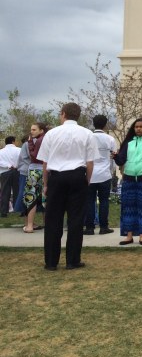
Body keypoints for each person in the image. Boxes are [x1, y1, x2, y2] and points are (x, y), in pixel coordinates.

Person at [36, 103, 98, 270]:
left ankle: (51, 262)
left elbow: (45, 162)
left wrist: (46, 183)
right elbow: (90, 162)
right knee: (76, 220)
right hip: (78, 176)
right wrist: (87, 180)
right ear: (78, 115)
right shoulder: (87, 134)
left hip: (56, 177)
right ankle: (72, 260)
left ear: (63, 114)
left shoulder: (52, 133)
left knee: (53, 220)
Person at [115, 118, 142, 246]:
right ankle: (128, 236)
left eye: (141, 126)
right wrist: (115, 157)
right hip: (128, 178)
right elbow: (120, 161)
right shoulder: (128, 142)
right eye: (136, 127)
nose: (138, 129)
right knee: (128, 207)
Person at [84, 115, 117, 235]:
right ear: (105, 124)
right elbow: (113, 157)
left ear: (93, 123)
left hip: (90, 174)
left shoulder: (88, 138)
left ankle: (89, 227)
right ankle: (104, 227)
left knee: (89, 201)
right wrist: (112, 171)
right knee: (104, 201)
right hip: (104, 174)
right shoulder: (110, 139)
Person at [22, 123, 48, 233]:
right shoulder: (47, 139)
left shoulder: (37, 141)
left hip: (35, 170)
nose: (31, 131)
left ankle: (29, 225)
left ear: (41, 130)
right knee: (45, 197)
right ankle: (47, 224)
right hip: (47, 170)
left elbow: (35, 156)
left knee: (31, 197)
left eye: (34, 129)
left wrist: (29, 144)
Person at [0, 136, 21, 218]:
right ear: (13, 141)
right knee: (18, 191)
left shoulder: (1, 151)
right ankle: (19, 209)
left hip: (5, 172)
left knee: (5, 191)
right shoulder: (19, 150)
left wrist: (8, 165)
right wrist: (16, 165)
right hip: (17, 171)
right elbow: (22, 160)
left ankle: (4, 211)